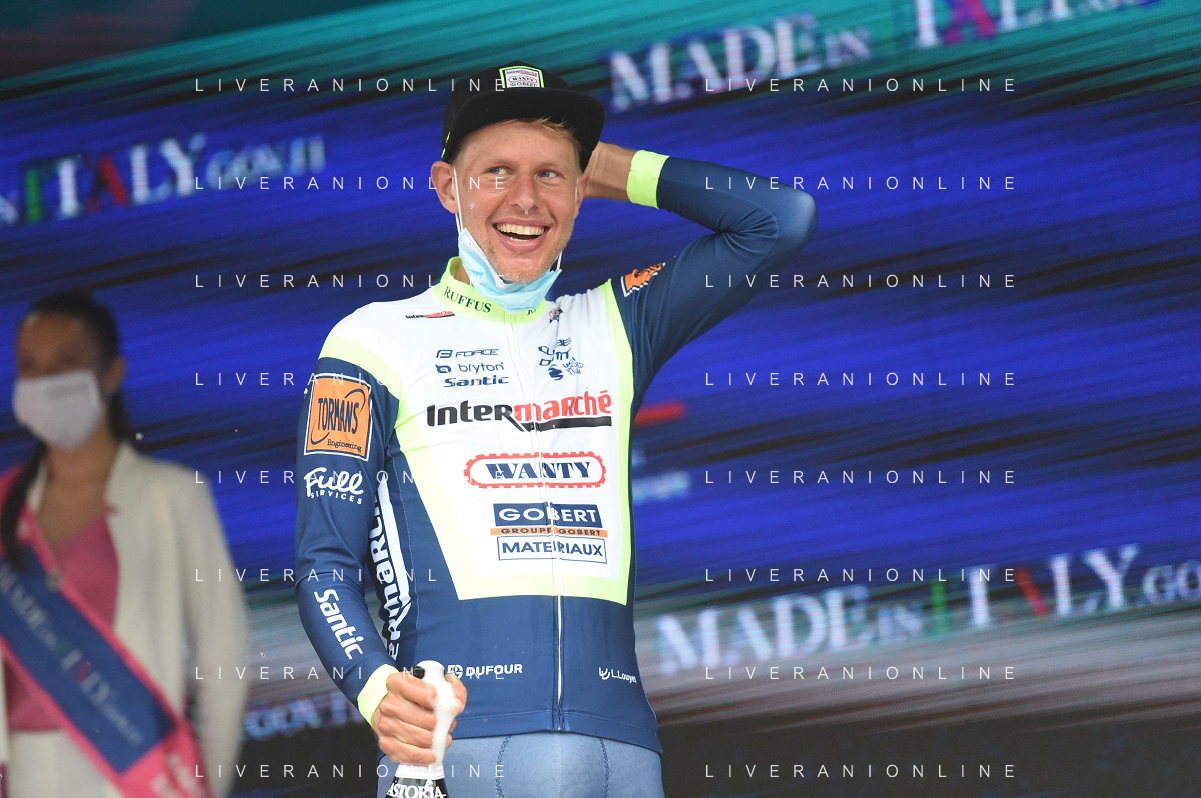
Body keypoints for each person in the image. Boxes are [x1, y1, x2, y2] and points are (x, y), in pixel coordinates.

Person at [294, 60, 817, 797]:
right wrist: (375, 685)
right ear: (447, 187)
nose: (525, 199)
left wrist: (606, 167)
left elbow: (779, 219)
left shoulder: (615, 324)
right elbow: (324, 564)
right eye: (496, 173)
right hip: (464, 744)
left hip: (623, 749)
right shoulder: (372, 340)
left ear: (579, 190)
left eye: (550, 176)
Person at [0, 290, 249, 798]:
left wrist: (205, 785)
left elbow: (224, 662)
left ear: (112, 372)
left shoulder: (172, 496)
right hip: (23, 777)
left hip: (140, 778)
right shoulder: (4, 503)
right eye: (30, 366)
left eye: (65, 362)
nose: (45, 381)